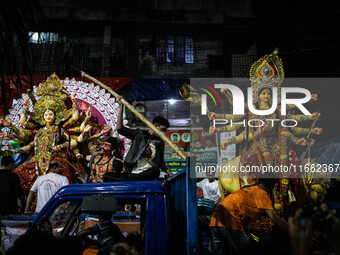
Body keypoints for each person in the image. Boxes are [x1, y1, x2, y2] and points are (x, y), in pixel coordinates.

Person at [0, 74, 86, 195]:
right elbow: (30, 147)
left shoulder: (59, 129)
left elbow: (73, 142)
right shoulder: (38, 132)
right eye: (46, 114)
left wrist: (60, 147)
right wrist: (14, 152)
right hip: (38, 158)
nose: (48, 116)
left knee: (65, 172)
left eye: (51, 114)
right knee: (19, 170)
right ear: (42, 117)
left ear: (56, 116)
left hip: (56, 157)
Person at [209, 178, 288, 255]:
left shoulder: (249, 190)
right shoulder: (261, 194)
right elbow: (275, 220)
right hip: (229, 220)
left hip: (214, 220)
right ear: (272, 187)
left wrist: (250, 238)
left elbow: (241, 220)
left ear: (258, 181)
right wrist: (293, 230)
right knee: (246, 251)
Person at [104, 96, 172, 181]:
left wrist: (169, 172)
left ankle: (129, 179)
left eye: (165, 131)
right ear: (155, 126)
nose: (163, 133)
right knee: (107, 176)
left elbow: (161, 162)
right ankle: (130, 178)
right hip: (133, 172)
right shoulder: (140, 134)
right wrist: (121, 106)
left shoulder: (160, 142)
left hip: (148, 174)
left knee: (155, 171)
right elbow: (120, 129)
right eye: (162, 130)